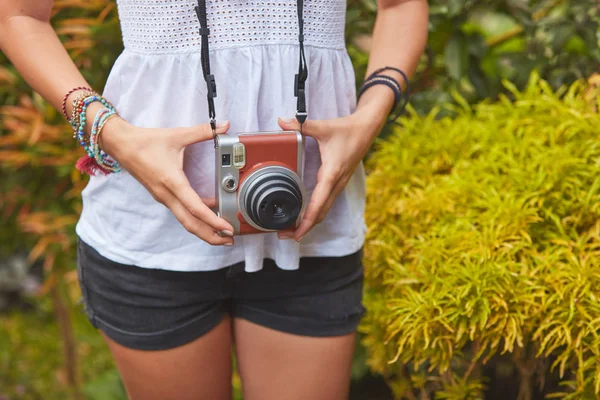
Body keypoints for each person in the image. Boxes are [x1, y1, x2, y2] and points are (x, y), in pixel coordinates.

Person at [0, 0, 428, 399]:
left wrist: (371, 116)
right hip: (153, 237)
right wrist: (114, 136)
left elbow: (402, 5)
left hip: (311, 226)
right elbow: (19, 16)